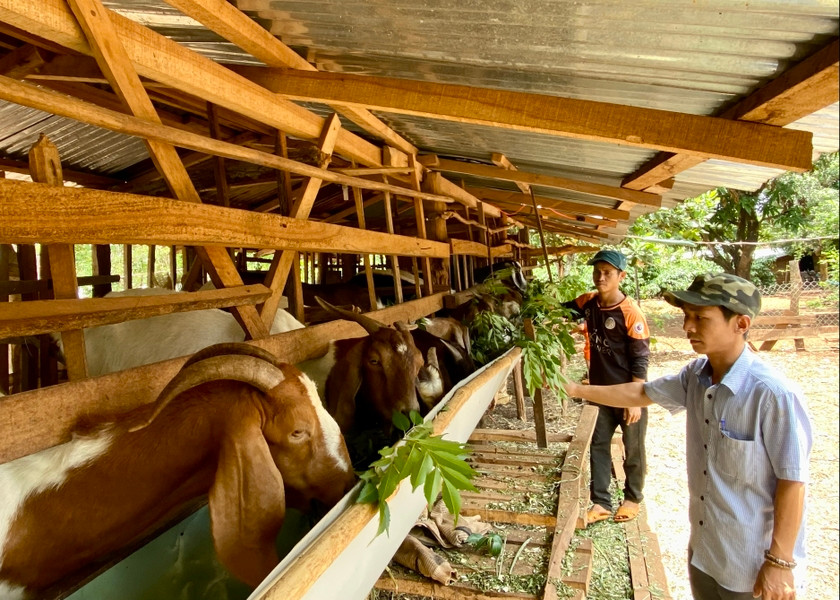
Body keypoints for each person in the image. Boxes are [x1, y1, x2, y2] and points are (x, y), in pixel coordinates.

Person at [564, 273, 812, 600]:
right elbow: (641, 392)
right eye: (686, 316)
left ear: (741, 323)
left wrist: (780, 563)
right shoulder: (695, 376)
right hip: (705, 555)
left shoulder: (771, 395)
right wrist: (573, 389)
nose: (687, 327)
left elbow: (792, 481)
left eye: (700, 318)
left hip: (751, 567)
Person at [563, 249, 650, 525]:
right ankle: (600, 502)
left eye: (608, 273)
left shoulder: (630, 313)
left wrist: (635, 400)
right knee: (598, 445)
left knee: (633, 447)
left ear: (620, 276)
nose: (600, 277)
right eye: (597, 272)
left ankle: (632, 498)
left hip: (627, 394)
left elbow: (640, 359)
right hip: (599, 393)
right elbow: (560, 312)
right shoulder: (588, 303)